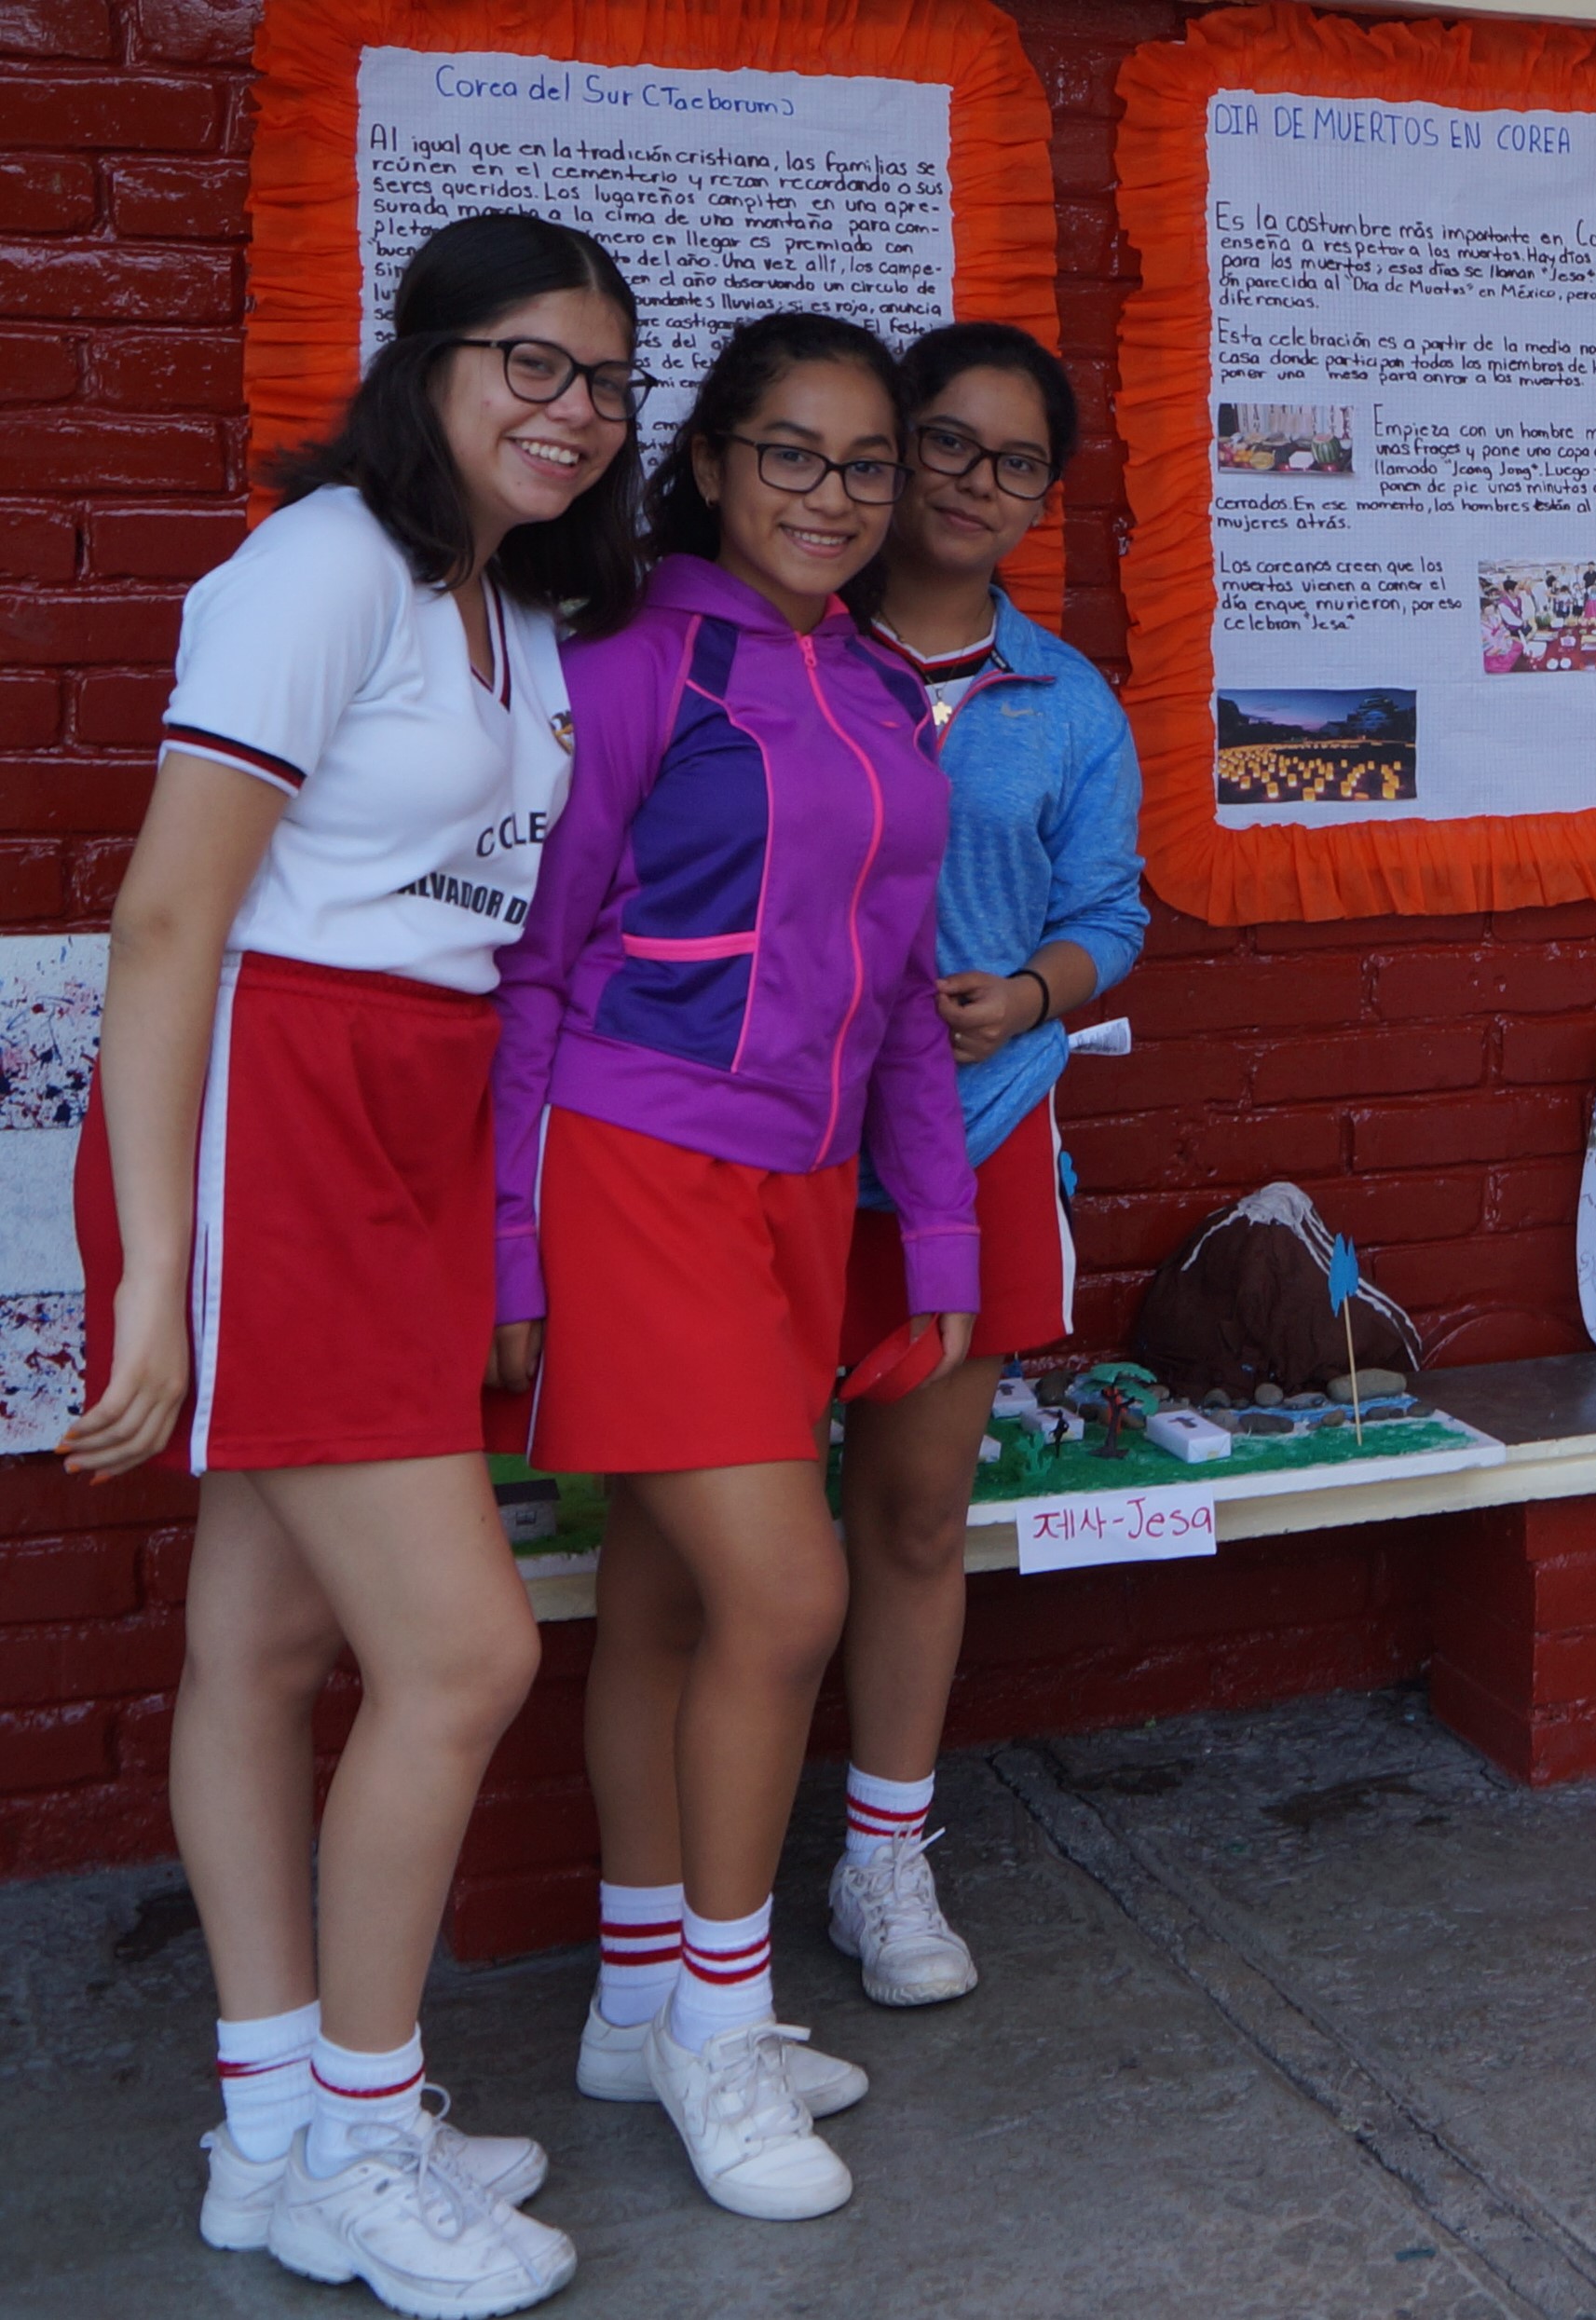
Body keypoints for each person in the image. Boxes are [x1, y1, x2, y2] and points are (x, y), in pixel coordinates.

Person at [59, 211, 639, 2316]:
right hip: (273, 1118)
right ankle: (364, 2142)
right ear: (426, 360)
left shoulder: (501, 593)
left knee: (264, 1641)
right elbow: (166, 920)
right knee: (465, 1655)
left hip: (406, 1111)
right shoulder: (318, 565)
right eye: (528, 361)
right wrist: (154, 1276)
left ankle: (270, 2122)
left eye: (604, 378)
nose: (571, 408)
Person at [492, 311, 979, 2218]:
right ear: (705, 462)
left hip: (799, 1189)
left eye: (866, 465)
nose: (831, 497)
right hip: (636, 1166)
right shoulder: (632, 665)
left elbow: (909, 1000)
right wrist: (510, 1246)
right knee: (786, 1597)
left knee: (668, 1598)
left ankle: (636, 2004)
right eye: (790, 454)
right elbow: (534, 969)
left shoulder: (872, 685)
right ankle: (720, 2022)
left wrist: (935, 1227)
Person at [825, 321, 1145, 2008]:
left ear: (1043, 496)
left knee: (919, 1513)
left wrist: (1026, 993)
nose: (973, 483)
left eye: (1015, 463)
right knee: (716, 1530)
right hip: (776, 1144)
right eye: (946, 442)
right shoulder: (794, 646)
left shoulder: (1066, 700)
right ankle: (677, 1899)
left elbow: (1111, 916)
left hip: (977, 1133)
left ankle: (883, 1858)